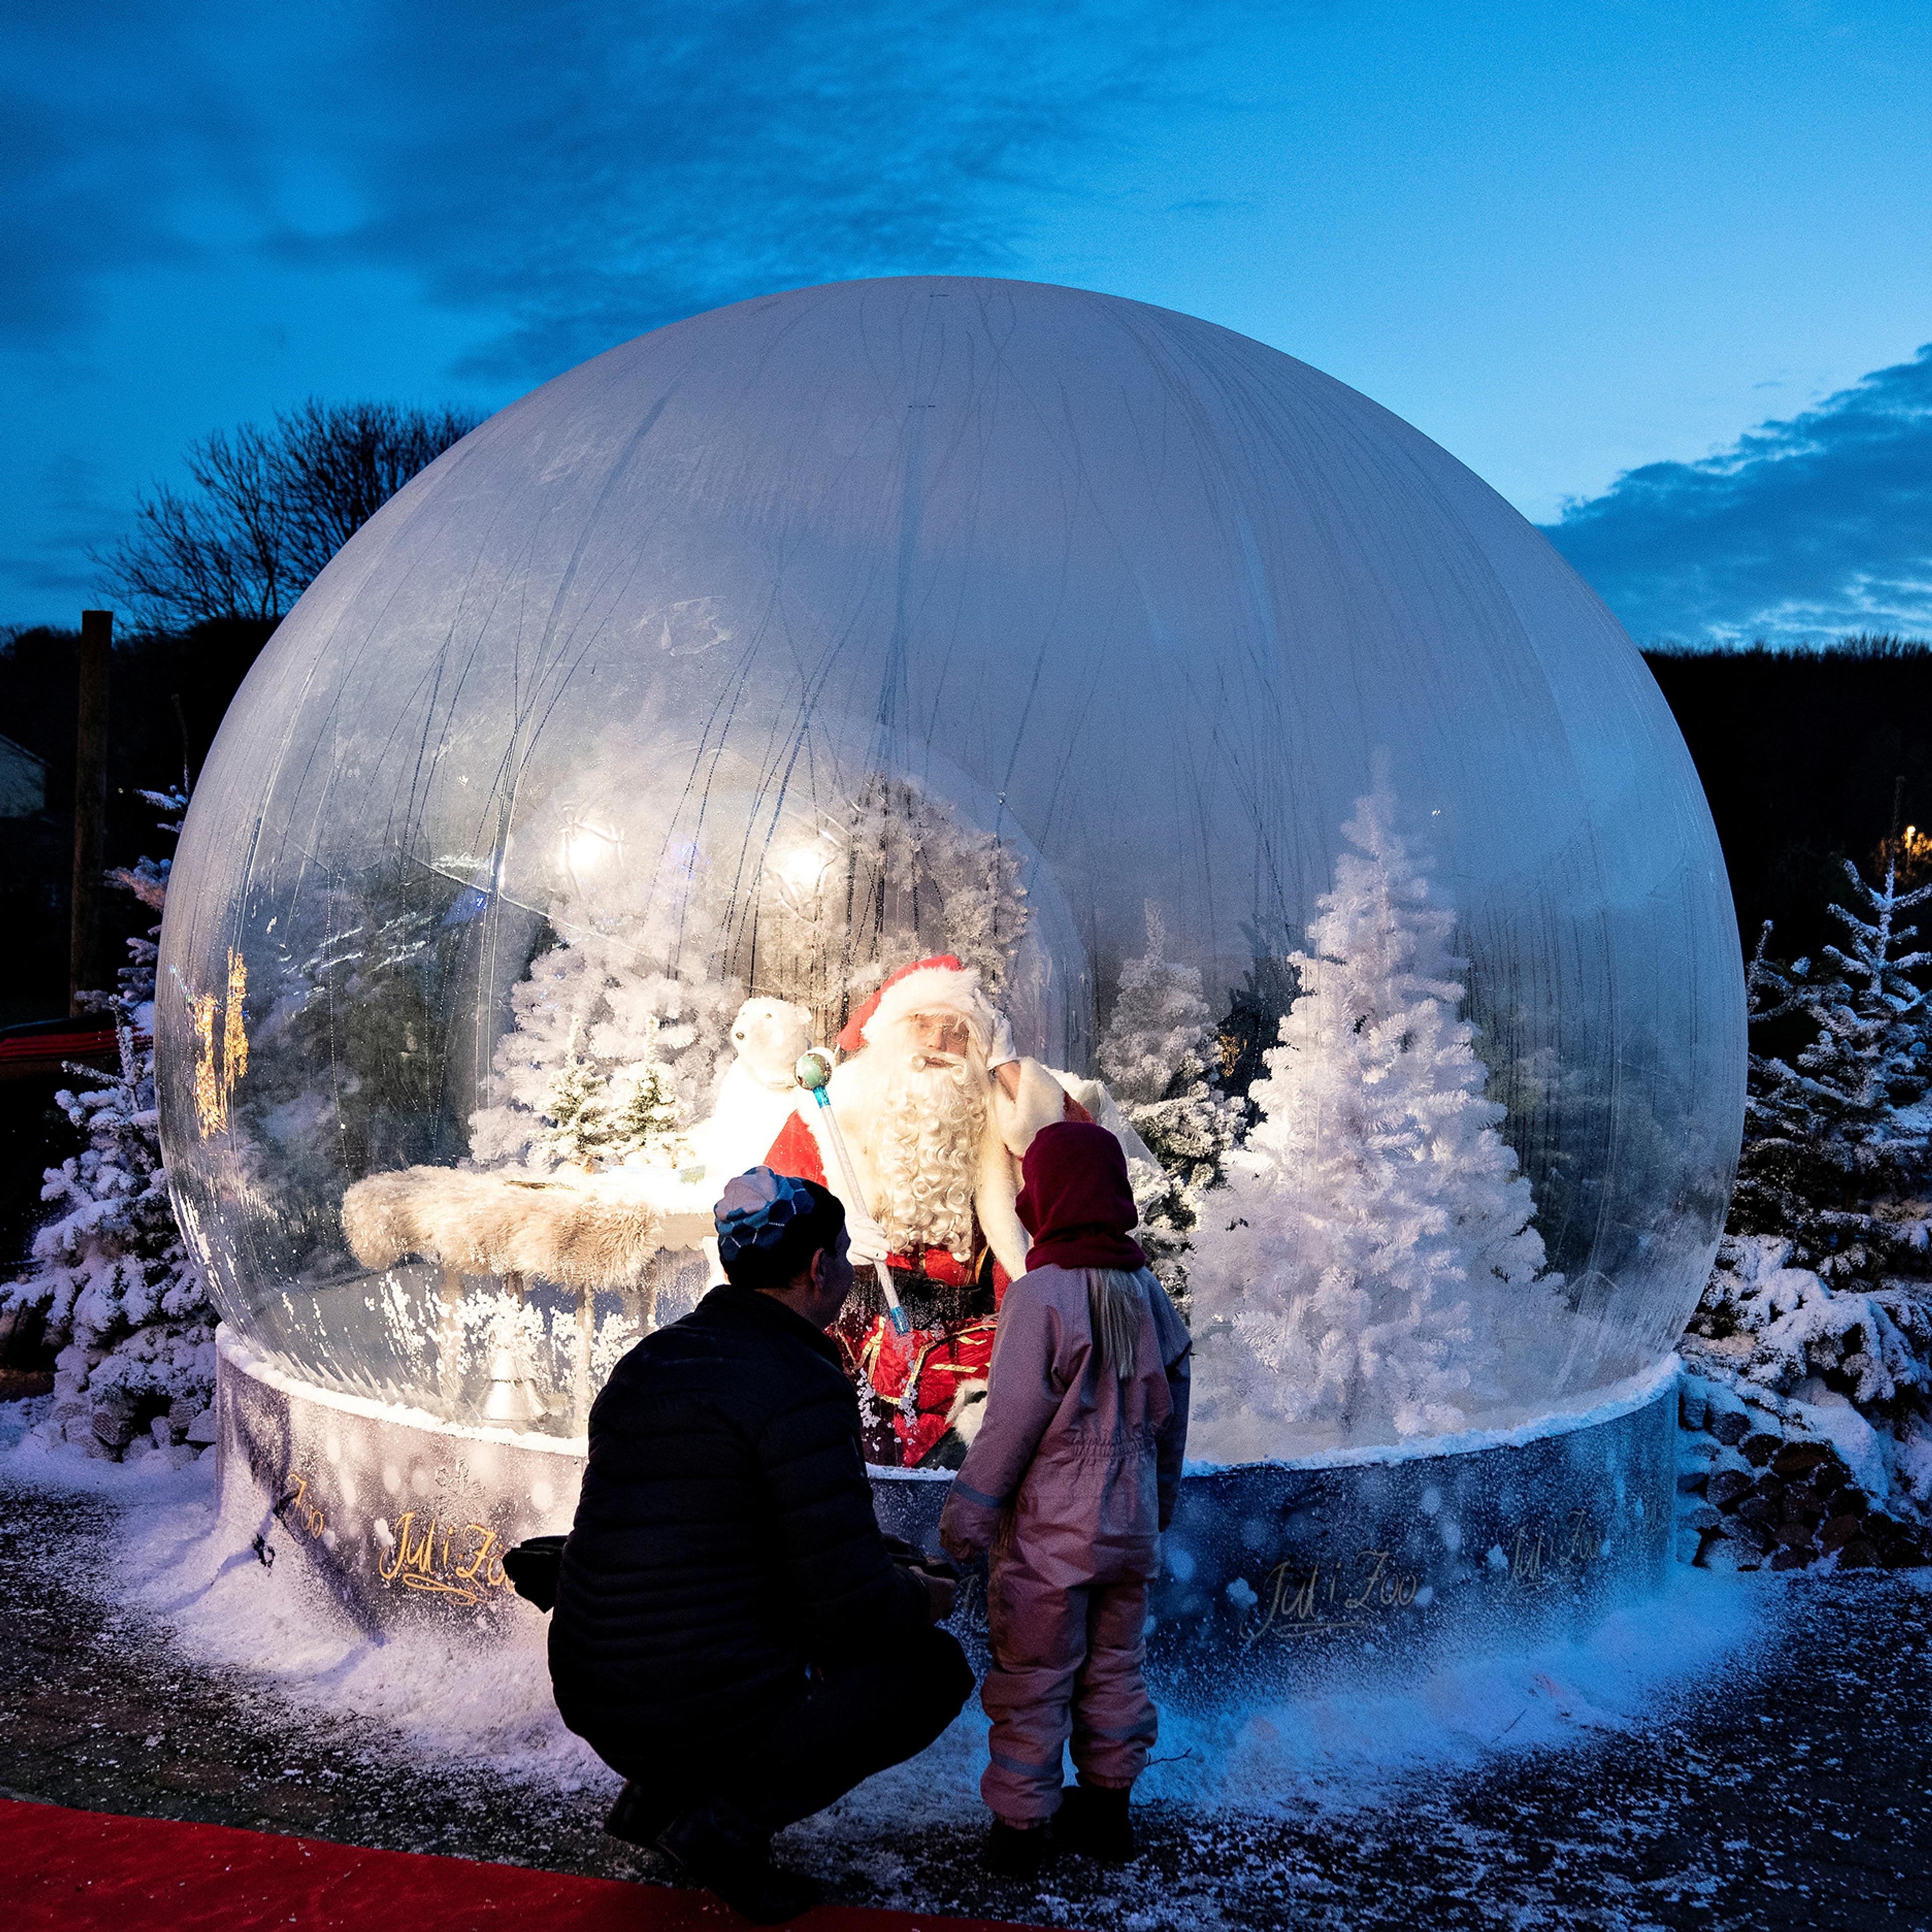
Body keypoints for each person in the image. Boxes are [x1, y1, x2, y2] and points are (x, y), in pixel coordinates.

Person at [548, 1166, 975, 1924]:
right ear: (820, 1269)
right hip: (688, 1694)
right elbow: (847, 1606)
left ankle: (656, 1799)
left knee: (716, 1624)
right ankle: (723, 1828)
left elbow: (717, 1532)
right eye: (845, 1255)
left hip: (593, 1684)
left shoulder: (654, 1358)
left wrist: (888, 1565)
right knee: (931, 1674)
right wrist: (922, 1594)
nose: (848, 1271)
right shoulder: (800, 1381)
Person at [938, 1120, 1192, 1876]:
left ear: (1042, 1197)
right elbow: (1174, 1416)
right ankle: (1109, 1816)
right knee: (1116, 1667)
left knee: (1035, 1677)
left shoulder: (1041, 1293)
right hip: (1131, 1529)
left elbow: (1010, 1420)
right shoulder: (1147, 1291)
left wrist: (969, 1515)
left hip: (1053, 1532)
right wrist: (1162, 1505)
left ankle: (1019, 1833)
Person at [762, 953, 1088, 1466]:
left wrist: (1007, 1070)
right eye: (922, 1026)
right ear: (893, 1034)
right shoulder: (832, 1113)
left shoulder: (996, 1110)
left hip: (977, 1332)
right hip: (855, 1326)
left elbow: (1080, 1157)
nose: (937, 1044)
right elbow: (769, 1219)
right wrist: (834, 1233)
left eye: (957, 1032)